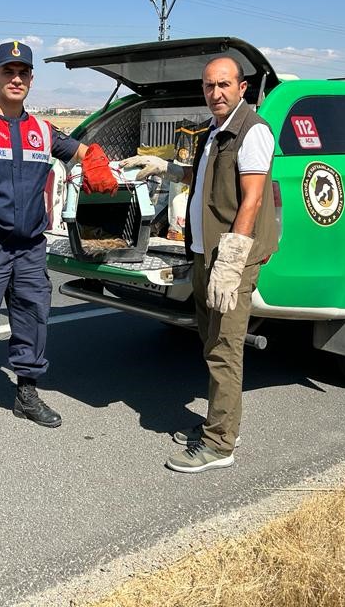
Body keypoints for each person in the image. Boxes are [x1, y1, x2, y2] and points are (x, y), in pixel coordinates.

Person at [0, 40, 117, 445]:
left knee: (33, 319)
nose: (16, 79)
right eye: (8, 71)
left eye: (23, 73)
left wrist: (95, 160)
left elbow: (83, 149)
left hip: (31, 247)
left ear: (31, 79)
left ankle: (26, 394)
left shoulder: (42, 131)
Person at [119, 56, 278, 473]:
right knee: (211, 343)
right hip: (206, 254)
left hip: (230, 258)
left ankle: (219, 444)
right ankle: (226, 423)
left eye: (224, 85)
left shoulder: (252, 132)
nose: (216, 93)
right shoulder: (214, 131)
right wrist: (163, 167)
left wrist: (232, 260)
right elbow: (203, 176)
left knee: (225, 349)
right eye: (209, 86)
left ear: (242, 88)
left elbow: (253, 198)